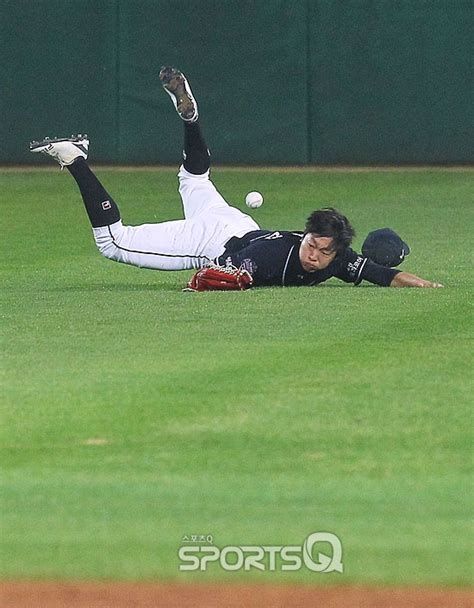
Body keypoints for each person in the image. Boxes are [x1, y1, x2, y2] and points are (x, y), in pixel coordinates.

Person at [30, 67, 443, 290]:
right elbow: (233, 271)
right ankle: (75, 158)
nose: (314, 255)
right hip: (213, 239)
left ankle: (192, 120)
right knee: (113, 242)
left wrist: (423, 283)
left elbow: (378, 273)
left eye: (322, 251)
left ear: (335, 252)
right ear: (304, 235)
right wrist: (222, 280)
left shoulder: (335, 259)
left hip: (238, 223)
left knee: (193, 178)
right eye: (312, 245)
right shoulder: (277, 259)